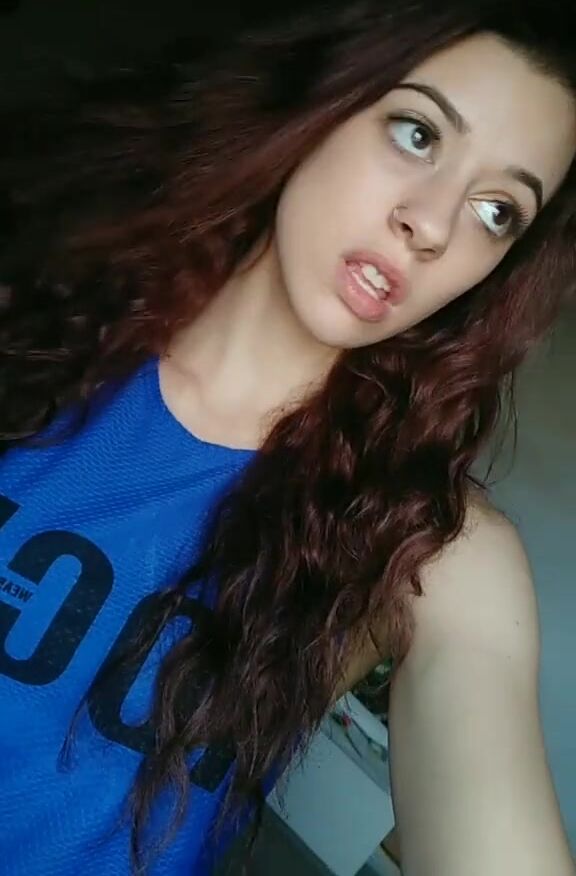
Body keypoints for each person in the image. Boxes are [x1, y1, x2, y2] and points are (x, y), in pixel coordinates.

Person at [0, 0, 575, 874]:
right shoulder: (39, 320)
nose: (432, 226)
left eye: (497, 211)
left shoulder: (429, 548)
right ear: (320, 103)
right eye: (417, 134)